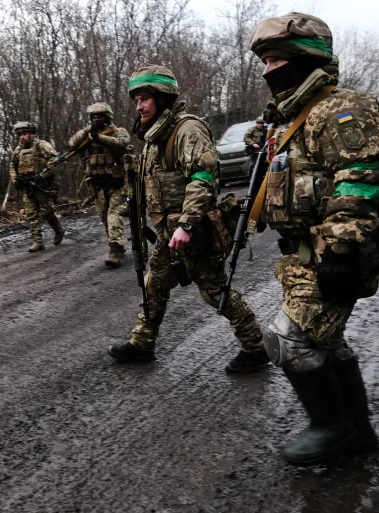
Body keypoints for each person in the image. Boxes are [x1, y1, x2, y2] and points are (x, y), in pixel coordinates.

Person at [250, 13, 379, 464]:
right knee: (326, 341)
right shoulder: (287, 122)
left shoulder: (338, 109)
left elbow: (362, 178)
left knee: (289, 339)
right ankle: (359, 436)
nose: (266, 70)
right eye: (264, 61)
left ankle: (331, 426)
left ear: (305, 58)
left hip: (332, 252)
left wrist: (341, 247)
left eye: (275, 59)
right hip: (299, 257)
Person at [107, 65, 271, 374]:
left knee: (214, 291)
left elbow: (203, 177)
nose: (139, 106)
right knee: (154, 283)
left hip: (194, 229)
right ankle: (143, 342)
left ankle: (256, 347)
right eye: (137, 100)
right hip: (168, 230)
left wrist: (186, 224)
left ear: (163, 98)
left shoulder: (186, 129)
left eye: (144, 99)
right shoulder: (155, 135)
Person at [68, 103, 131, 268]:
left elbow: (122, 143)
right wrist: (87, 132)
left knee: (113, 214)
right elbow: (72, 144)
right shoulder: (88, 134)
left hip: (117, 182)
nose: (97, 119)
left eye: (100, 116)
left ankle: (115, 250)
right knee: (104, 216)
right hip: (97, 183)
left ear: (108, 117)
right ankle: (117, 243)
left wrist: (99, 138)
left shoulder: (118, 131)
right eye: (94, 117)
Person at [10, 121, 65, 252]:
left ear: (32, 134)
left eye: (24, 134)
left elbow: (54, 160)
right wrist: (15, 180)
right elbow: (13, 166)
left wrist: (42, 175)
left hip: (42, 184)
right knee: (31, 214)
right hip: (27, 186)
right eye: (20, 135)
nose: (22, 137)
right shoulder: (18, 150)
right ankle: (37, 241)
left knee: (47, 212)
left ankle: (59, 230)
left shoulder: (42, 145)